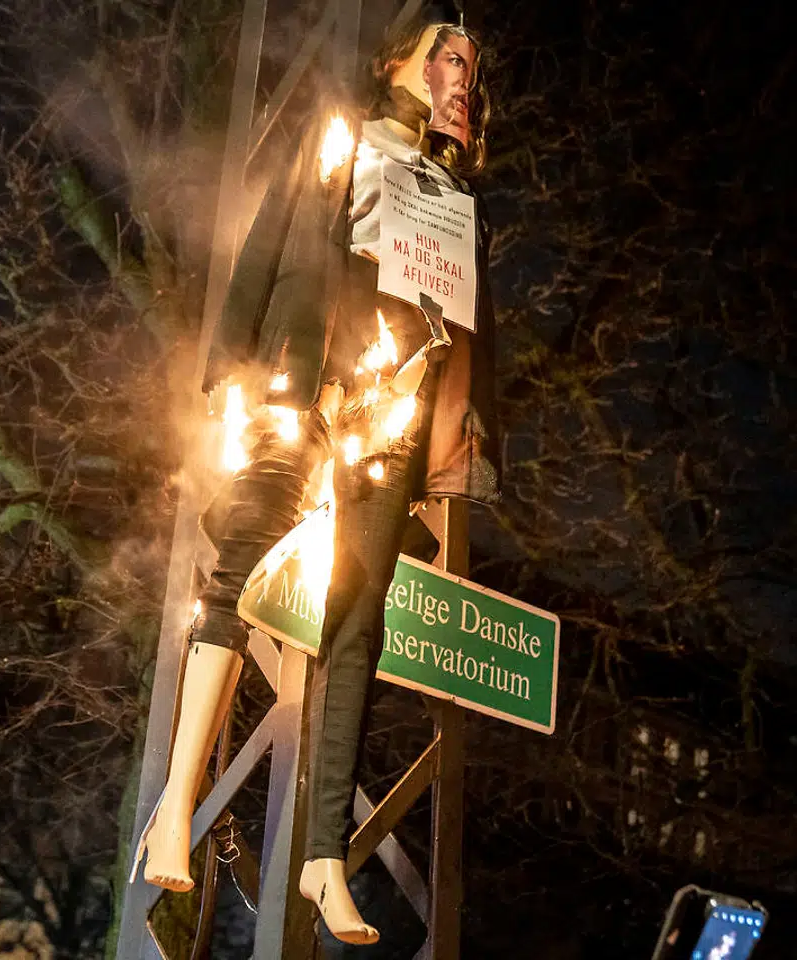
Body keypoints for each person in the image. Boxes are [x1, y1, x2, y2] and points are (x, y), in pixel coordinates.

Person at [133, 13, 497, 946]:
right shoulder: (342, 136)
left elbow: (471, 338)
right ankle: (175, 803)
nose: (463, 74)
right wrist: (228, 361)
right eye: (448, 54)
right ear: (403, 60)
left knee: (358, 620)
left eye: (474, 66)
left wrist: (467, 446)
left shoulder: (458, 195)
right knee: (241, 569)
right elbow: (266, 240)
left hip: (393, 420)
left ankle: (325, 857)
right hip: (306, 377)